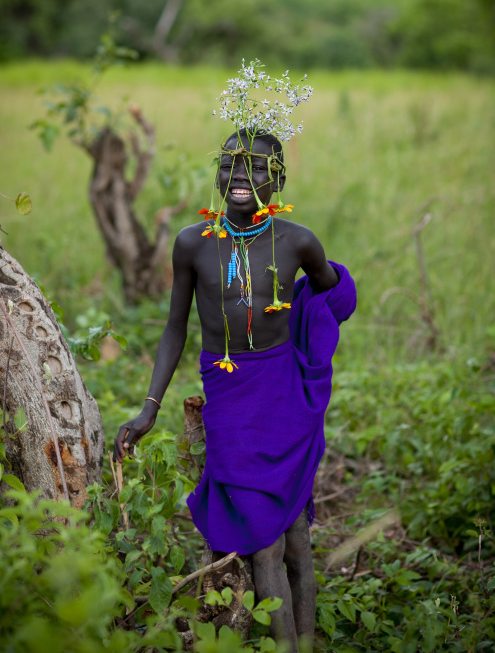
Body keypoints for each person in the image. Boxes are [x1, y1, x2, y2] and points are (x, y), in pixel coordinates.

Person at [114, 127, 356, 652]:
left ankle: (305, 642)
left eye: (256, 166)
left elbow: (333, 295)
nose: (240, 175)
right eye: (229, 165)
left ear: (279, 177)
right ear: (216, 173)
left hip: (285, 397)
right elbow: (176, 327)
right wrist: (149, 408)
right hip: (229, 397)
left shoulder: (297, 241)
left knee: (296, 542)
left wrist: (309, 322)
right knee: (265, 542)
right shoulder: (192, 243)